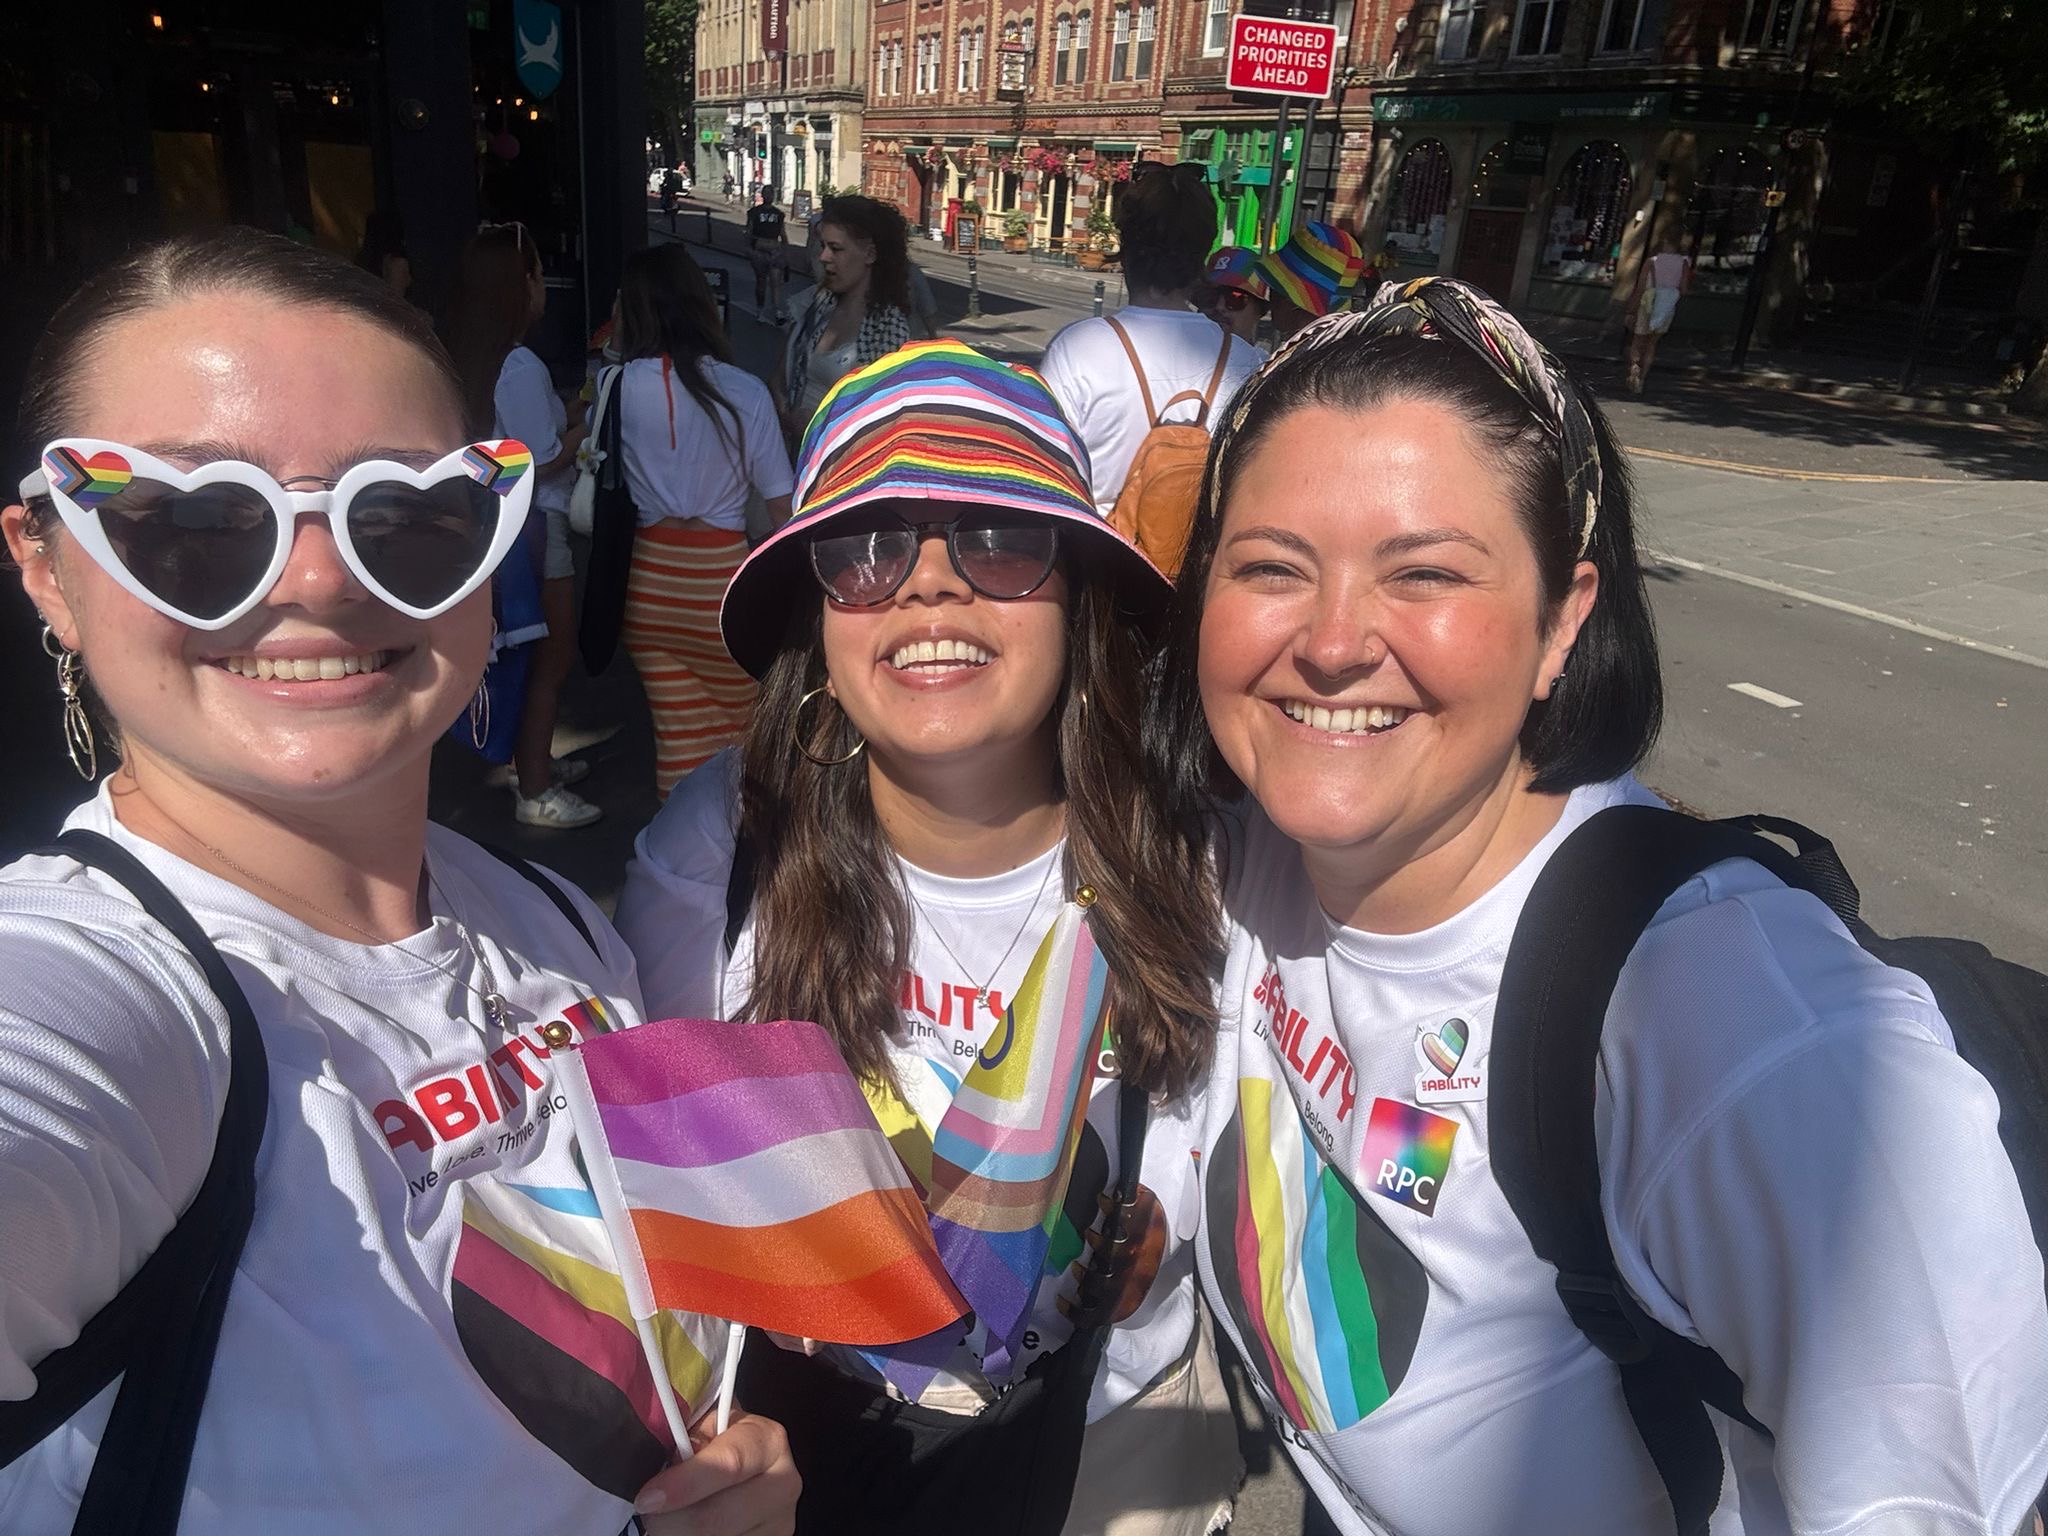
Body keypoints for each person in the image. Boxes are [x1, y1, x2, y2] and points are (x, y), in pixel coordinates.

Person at [1150, 277, 2048, 1534]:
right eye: (1268, 567)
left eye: (1423, 573)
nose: (1334, 640)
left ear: (1561, 621)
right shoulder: (1245, 853)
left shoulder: (1745, 1037)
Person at [0, 228, 798, 1533]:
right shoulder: (96, 1006)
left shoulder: (548, 924)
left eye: (407, 517)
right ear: (49, 570)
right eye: (197, 525)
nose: (316, 582)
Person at [615, 340, 1243, 1536]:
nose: (928, 586)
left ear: (1076, 595)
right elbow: (651, 1198)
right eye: (865, 550)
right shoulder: (719, 848)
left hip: (1115, 1449)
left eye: (1000, 541)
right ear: (817, 613)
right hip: (823, 1454)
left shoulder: (1206, 855)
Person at [612, 243, 795, 796]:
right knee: (748, 737)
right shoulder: (745, 392)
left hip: (646, 584)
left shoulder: (615, 386)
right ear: (702, 305)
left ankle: (680, 852)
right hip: (719, 586)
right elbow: (780, 508)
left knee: (677, 734)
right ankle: (744, 858)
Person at [442, 222, 600, 828]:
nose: (544, 288)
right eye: (536, 275)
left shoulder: (465, 359)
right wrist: (591, 423)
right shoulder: (520, 362)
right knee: (552, 657)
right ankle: (535, 789)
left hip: (497, 529)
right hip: (541, 525)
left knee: (526, 656)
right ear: (520, 286)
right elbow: (542, 458)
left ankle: (529, 761)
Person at [1039, 163, 1261, 514]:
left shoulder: (1077, 349)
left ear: (1125, 252)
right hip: (1197, 560)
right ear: (1202, 254)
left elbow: (1047, 472)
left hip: (1102, 551)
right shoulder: (1248, 362)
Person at [774, 194, 913, 442]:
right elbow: (779, 377)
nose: (824, 256)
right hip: (791, 457)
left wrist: (814, 426)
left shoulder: (887, 328)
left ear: (870, 254)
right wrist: (783, 410)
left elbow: (880, 423)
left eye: (836, 248)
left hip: (834, 467)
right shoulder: (816, 303)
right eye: (823, 245)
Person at [1256, 220, 1368, 342]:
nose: (1270, 294)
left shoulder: (1304, 356)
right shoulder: (1334, 351)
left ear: (1290, 300)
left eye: (1275, 285)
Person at [1625, 232, 1693, 393]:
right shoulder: (1683, 263)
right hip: (1666, 307)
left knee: (1637, 340)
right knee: (1652, 343)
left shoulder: (1652, 262)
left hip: (1648, 303)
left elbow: (1641, 286)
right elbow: (1683, 289)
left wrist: (1631, 309)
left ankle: (1634, 367)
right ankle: (1642, 380)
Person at [1192, 247, 1270, 351]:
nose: (1219, 307)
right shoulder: (1172, 354)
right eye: (1210, 297)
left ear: (1259, 311)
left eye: (1234, 299)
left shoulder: (1265, 364)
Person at [747, 186, 790, 325]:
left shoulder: (779, 214)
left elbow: (782, 234)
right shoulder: (754, 212)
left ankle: (777, 311)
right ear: (763, 195)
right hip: (760, 250)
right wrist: (750, 248)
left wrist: (785, 252)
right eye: (767, 193)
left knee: (775, 281)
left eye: (771, 193)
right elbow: (749, 231)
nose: (769, 196)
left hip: (773, 249)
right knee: (761, 282)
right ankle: (760, 308)